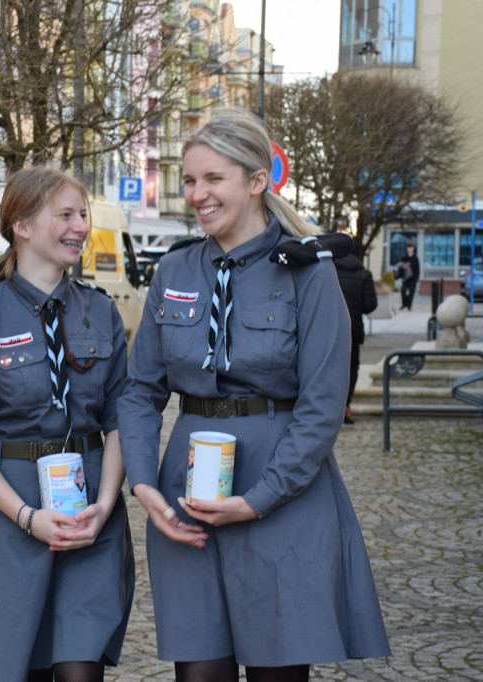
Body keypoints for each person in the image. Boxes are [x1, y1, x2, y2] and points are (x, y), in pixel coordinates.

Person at [117, 110, 390, 682]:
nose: (197, 194)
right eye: (189, 181)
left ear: (257, 180)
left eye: (213, 179)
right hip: (187, 495)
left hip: (283, 494)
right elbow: (140, 390)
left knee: (278, 672)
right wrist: (144, 484)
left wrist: (259, 498)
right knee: (200, 674)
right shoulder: (174, 271)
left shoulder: (309, 274)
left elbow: (321, 405)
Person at [0, 167, 135, 682]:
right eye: (64, 215)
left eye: (82, 214)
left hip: (90, 518)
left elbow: (119, 420)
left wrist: (105, 506)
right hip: (12, 520)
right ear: (20, 224)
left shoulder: (102, 311)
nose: (80, 226)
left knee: (79, 669)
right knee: (13, 666)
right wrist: (27, 517)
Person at [335, 240, 378, 424]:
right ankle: (345, 405)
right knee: (351, 367)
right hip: (353, 329)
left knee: (330, 367)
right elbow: (370, 305)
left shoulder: (331, 270)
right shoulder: (364, 274)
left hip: (331, 327)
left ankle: (332, 406)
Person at [396, 240, 420, 310]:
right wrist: (403, 268)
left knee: (411, 293)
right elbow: (399, 267)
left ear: (413, 248)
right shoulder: (404, 258)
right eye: (408, 247)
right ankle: (404, 304)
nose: (409, 249)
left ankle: (409, 305)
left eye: (411, 247)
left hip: (413, 278)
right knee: (403, 290)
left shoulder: (415, 258)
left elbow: (417, 269)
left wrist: (416, 278)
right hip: (405, 278)